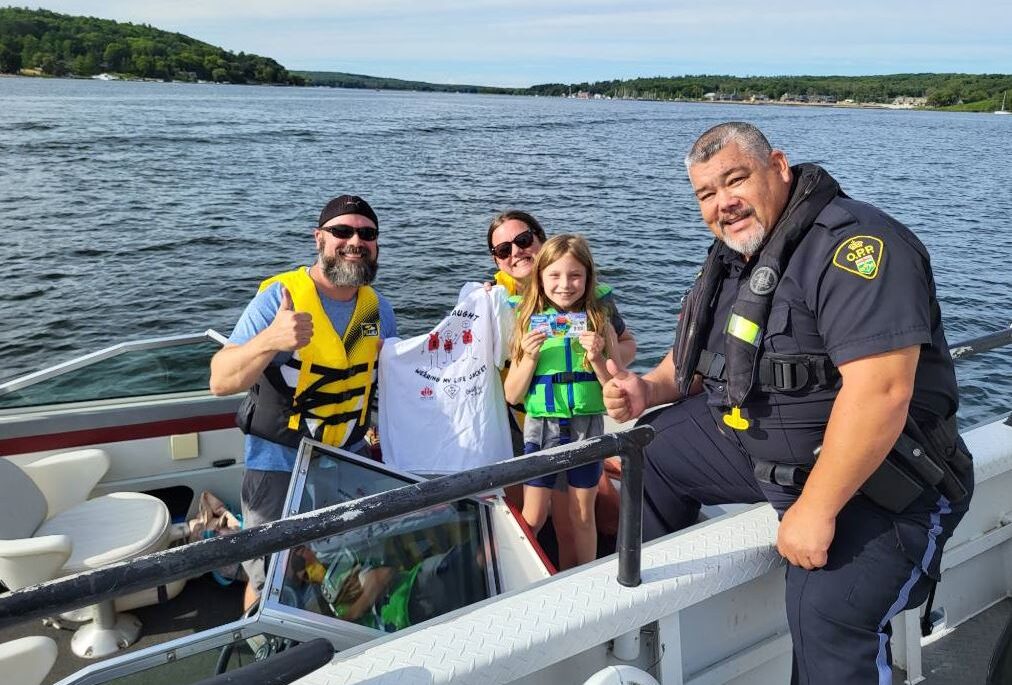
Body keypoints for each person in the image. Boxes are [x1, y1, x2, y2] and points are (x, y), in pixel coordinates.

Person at [603, 122, 973, 684]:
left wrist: (817, 509)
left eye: (735, 180)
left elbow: (882, 391)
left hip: (880, 477)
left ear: (778, 166)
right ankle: (657, 626)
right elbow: (708, 351)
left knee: (825, 617)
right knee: (647, 454)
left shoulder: (855, 246)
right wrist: (648, 389)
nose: (723, 203)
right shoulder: (741, 253)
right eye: (706, 193)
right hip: (761, 447)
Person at [209, 194, 397, 611]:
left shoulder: (376, 308)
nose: (355, 241)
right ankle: (261, 651)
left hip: (347, 459)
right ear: (319, 238)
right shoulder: (279, 298)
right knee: (271, 580)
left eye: (366, 234)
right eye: (341, 232)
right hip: (279, 465)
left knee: (347, 564)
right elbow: (220, 380)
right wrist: (270, 340)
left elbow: (383, 381)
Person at [487, 210, 636, 568]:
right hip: (538, 429)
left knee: (583, 514)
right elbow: (512, 392)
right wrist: (529, 358)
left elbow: (613, 383)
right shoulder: (514, 310)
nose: (565, 284)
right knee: (532, 516)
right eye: (503, 249)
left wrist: (599, 356)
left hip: (586, 428)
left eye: (524, 242)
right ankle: (507, 575)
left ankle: (578, 579)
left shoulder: (600, 316)